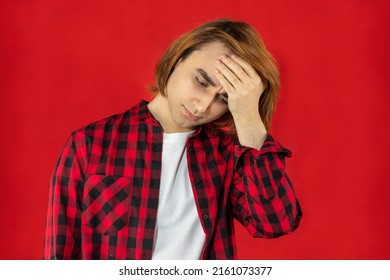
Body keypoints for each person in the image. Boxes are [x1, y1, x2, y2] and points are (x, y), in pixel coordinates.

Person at [43, 18, 302, 260]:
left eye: (224, 99)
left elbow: (274, 223)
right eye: (201, 81)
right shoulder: (89, 144)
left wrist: (248, 116)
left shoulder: (226, 156)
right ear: (178, 58)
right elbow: (59, 255)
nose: (202, 106)